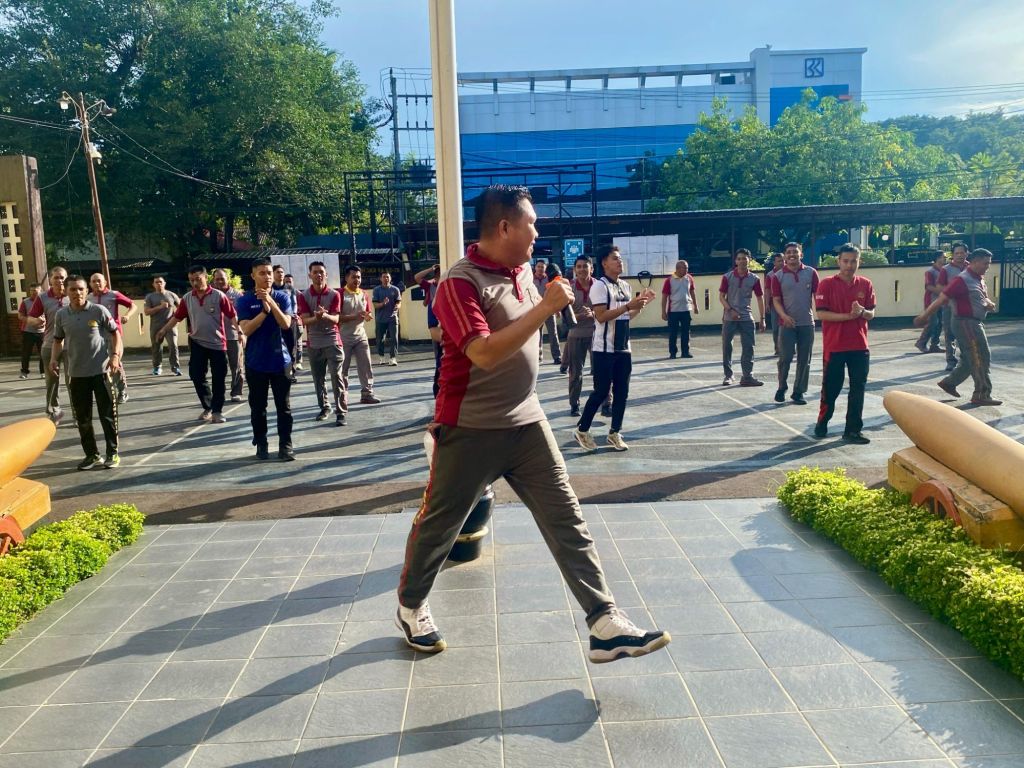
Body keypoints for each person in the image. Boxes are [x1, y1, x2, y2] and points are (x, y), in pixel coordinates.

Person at [397, 184, 669, 663]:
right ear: (505, 227)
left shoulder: (524, 272)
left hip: (527, 421)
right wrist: (545, 307)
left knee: (567, 518)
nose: (537, 232)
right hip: (470, 429)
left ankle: (603, 621)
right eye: (532, 224)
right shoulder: (460, 283)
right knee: (441, 525)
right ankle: (411, 605)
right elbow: (483, 353)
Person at [573, 245, 655, 452]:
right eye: (615, 258)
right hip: (604, 349)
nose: (620, 261)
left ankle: (615, 432)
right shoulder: (599, 286)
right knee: (601, 392)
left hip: (623, 347)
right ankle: (582, 429)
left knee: (622, 393)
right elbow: (601, 316)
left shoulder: (625, 286)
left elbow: (626, 316)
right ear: (604, 263)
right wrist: (628, 306)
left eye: (620, 258)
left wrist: (640, 306)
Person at [51, 275, 123, 470]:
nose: (77, 293)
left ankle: (112, 452)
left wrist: (115, 356)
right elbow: (57, 340)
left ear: (87, 291)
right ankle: (92, 455)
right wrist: (53, 360)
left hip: (101, 372)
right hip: (76, 374)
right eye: (73, 289)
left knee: (107, 416)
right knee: (83, 419)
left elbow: (115, 334)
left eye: (81, 289)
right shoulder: (61, 315)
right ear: (66, 292)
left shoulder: (98, 310)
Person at [914, 248, 1000, 406]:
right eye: (985, 263)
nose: (988, 266)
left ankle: (950, 383)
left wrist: (988, 304)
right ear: (974, 262)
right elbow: (941, 299)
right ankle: (982, 394)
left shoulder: (978, 278)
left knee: (969, 358)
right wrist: (924, 316)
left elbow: (982, 298)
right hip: (966, 323)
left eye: (989, 263)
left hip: (974, 322)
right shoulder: (961, 280)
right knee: (980, 356)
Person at [155, 265, 236, 423]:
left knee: (219, 378)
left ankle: (217, 411)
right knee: (196, 375)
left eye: (198, 279)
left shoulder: (218, 296)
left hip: (218, 343)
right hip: (197, 342)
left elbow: (232, 315)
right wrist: (163, 330)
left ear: (206, 278)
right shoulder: (187, 298)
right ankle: (208, 407)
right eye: (191, 280)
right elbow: (177, 317)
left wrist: (240, 332)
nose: (195, 283)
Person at [812, 244, 876, 443]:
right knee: (831, 389)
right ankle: (823, 421)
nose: (849, 265)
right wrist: (849, 316)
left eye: (853, 261)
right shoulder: (826, 284)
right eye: (846, 261)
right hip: (835, 346)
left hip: (859, 346)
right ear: (838, 261)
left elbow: (871, 313)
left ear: (859, 262)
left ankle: (853, 430)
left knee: (858, 389)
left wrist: (862, 312)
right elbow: (821, 314)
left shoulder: (865, 284)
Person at [236, 258, 295, 460]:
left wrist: (270, 302)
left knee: (284, 407)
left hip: (281, 362)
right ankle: (261, 444)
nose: (267, 276)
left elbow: (285, 324)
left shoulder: (282, 297)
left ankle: (285, 446)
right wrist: (263, 312)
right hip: (256, 362)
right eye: (262, 273)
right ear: (253, 276)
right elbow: (246, 329)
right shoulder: (244, 300)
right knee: (258, 408)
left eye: (269, 272)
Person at [297, 261, 346, 426]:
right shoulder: (303, 295)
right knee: (318, 379)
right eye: (315, 272)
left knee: (336, 376)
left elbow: (336, 319)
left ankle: (341, 411)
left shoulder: (334, 294)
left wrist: (324, 316)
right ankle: (325, 407)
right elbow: (304, 320)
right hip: (314, 343)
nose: (319, 275)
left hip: (332, 340)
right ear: (310, 275)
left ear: (326, 275)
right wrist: (316, 318)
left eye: (321, 272)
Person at [771, 242, 819, 405]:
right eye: (789, 252)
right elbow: (776, 300)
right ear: (785, 256)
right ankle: (782, 387)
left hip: (806, 323)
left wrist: (823, 314)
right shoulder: (778, 276)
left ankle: (798, 392)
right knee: (785, 357)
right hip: (786, 324)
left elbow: (818, 296)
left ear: (801, 254)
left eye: (795, 252)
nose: (792, 255)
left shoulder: (811, 273)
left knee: (804, 359)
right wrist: (784, 316)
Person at [27, 266, 70, 423]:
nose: (59, 280)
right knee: (52, 381)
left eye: (62, 277)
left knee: (73, 381)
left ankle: (78, 413)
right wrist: (36, 321)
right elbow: (29, 318)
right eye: (56, 277)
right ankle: (53, 411)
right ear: (50, 280)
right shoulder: (43, 298)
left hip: (71, 346)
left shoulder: (72, 294)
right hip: (50, 345)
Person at [720, 248, 766, 387]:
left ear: (749, 260)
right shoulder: (727, 277)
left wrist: (762, 318)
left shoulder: (754, 279)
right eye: (739, 258)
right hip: (729, 317)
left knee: (748, 347)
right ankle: (728, 375)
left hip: (746, 317)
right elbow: (721, 297)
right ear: (735, 261)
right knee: (727, 346)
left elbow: (760, 298)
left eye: (744, 258)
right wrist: (730, 310)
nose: (741, 261)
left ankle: (747, 376)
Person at [89, 272, 136, 404]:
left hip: (113, 335)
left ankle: (122, 391)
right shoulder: (88, 298)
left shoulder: (113, 295)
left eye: (99, 281)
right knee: (99, 364)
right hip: (96, 336)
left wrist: (127, 316)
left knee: (115, 362)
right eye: (93, 281)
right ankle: (106, 391)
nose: (96, 283)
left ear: (105, 282)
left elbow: (133, 305)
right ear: (90, 284)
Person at [340, 265, 381, 408]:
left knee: (366, 365)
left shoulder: (364, 294)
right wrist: (354, 316)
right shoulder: (340, 294)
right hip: (344, 336)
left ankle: (367, 394)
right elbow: (336, 317)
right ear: (346, 278)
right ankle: (342, 395)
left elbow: (367, 312)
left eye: (359, 277)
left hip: (360, 335)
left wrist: (367, 316)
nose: (357, 280)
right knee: (343, 368)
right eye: (353, 277)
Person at [212, 269, 246, 402]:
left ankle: (236, 391)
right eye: (217, 279)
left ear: (228, 279)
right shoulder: (212, 295)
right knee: (218, 367)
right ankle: (219, 393)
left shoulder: (237, 295)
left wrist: (241, 332)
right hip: (216, 336)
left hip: (233, 335)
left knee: (236, 365)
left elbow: (242, 315)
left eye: (222, 278)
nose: (220, 281)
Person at [938, 242, 968, 372]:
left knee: (967, 334)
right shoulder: (946, 269)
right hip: (950, 306)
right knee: (949, 333)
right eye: (957, 253)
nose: (960, 255)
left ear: (967, 253)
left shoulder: (971, 268)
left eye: (962, 253)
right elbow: (940, 287)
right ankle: (951, 361)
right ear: (953, 254)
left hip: (968, 306)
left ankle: (966, 361)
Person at [143, 276, 181, 376]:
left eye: (160, 282)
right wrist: (160, 307)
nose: (159, 284)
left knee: (173, 345)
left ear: (164, 283)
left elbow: (181, 308)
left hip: (170, 325)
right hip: (156, 325)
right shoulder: (150, 297)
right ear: (153, 285)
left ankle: (175, 367)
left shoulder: (172, 295)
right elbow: (146, 312)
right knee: (156, 347)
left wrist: (176, 318)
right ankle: (157, 367)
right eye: (156, 282)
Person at [415, 264, 443, 397]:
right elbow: (417, 277)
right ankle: (438, 390)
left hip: (447, 325)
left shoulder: (450, 286)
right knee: (440, 358)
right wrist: (431, 269)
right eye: (438, 274)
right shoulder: (430, 287)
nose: (441, 277)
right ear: (435, 276)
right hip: (437, 326)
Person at [661, 259, 698, 359]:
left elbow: (692, 292)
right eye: (684, 268)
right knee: (673, 333)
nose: (686, 270)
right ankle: (673, 352)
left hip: (686, 309)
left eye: (687, 268)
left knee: (686, 332)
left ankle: (685, 352)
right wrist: (663, 312)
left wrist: (695, 305)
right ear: (677, 269)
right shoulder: (669, 280)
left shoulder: (689, 278)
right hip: (673, 311)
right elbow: (664, 297)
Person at [272, 265, 301, 378]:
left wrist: (293, 314)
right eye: (278, 272)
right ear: (273, 274)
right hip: (274, 322)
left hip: (289, 321)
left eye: (282, 272)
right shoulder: (270, 288)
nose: (280, 274)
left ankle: (291, 372)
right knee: (276, 347)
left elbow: (294, 303)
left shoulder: (289, 288)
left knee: (290, 346)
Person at [914, 253, 947, 354]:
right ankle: (921, 342)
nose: (945, 259)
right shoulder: (930, 271)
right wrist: (943, 293)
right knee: (933, 322)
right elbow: (929, 286)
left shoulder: (945, 270)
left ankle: (935, 345)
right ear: (937, 258)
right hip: (931, 300)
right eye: (943, 257)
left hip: (942, 301)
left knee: (940, 323)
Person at [533, 259, 562, 365]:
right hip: (536, 310)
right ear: (535, 267)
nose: (540, 269)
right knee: (537, 334)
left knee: (553, 333)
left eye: (542, 267)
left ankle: (557, 356)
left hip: (550, 309)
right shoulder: (530, 279)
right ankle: (538, 357)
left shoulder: (550, 279)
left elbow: (555, 294)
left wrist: (557, 309)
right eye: (538, 266)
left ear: (545, 268)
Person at [372, 271, 402, 366]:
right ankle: (381, 356)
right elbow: (375, 305)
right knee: (380, 339)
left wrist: (397, 306)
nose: (386, 279)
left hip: (393, 318)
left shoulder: (395, 289)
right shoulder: (376, 290)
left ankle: (393, 358)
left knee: (394, 338)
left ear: (390, 278)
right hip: (380, 319)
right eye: (384, 277)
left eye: (388, 277)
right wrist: (383, 303)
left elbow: (399, 302)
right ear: (380, 279)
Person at [18, 283, 44, 379]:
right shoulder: (25, 302)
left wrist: (43, 321)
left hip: (42, 331)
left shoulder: (45, 301)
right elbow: (20, 316)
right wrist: (31, 321)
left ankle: (43, 371)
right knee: (26, 352)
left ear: (40, 291)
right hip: (28, 331)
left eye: (35, 291)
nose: (33, 293)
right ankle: (24, 372)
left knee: (43, 353)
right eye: (31, 291)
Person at [764, 252, 784, 356]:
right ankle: (777, 347)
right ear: (774, 263)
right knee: (776, 327)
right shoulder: (770, 275)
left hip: (788, 304)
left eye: (783, 260)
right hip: (774, 304)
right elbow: (767, 290)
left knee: (789, 326)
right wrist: (767, 303)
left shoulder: (789, 272)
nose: (782, 263)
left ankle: (789, 347)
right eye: (779, 261)